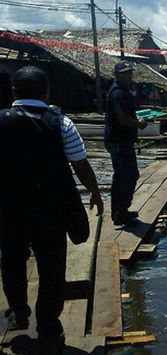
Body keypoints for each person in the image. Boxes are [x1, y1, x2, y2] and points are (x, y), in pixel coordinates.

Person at [0, 66, 103, 353]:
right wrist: (94, 191)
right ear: (47, 92)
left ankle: (19, 312)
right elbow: (80, 163)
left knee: (11, 263)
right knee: (52, 268)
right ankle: (48, 326)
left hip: (9, 210)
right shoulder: (62, 124)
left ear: (14, 92)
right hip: (51, 211)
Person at [105, 61, 148, 226]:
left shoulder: (123, 90)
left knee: (121, 176)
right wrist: (139, 124)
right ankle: (121, 212)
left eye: (129, 72)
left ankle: (119, 212)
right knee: (129, 175)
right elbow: (122, 118)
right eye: (124, 73)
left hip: (120, 140)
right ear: (117, 75)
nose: (128, 75)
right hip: (119, 141)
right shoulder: (117, 93)